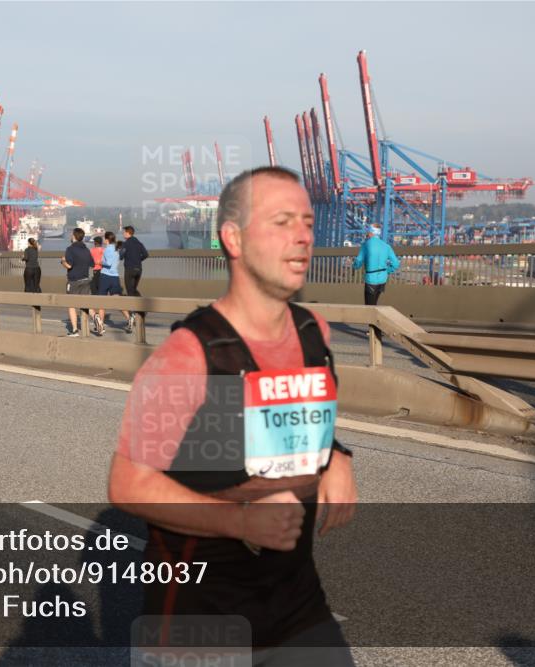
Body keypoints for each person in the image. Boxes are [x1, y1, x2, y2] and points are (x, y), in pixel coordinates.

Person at [107, 167, 356, 665]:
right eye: (282, 222)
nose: (303, 236)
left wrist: (335, 456)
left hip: (298, 609)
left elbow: (290, 423)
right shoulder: (190, 353)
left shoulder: (314, 332)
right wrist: (241, 521)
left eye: (307, 222)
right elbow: (128, 485)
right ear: (233, 239)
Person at [61, 227, 98, 336]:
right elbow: (92, 264)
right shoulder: (86, 249)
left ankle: (75, 330)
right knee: (85, 303)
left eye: (72, 234)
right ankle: (96, 317)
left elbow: (69, 265)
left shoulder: (70, 249)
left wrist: (62, 261)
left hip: (74, 280)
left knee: (71, 305)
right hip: (85, 279)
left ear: (74, 236)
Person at [352, 224, 400, 305]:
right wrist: (387, 271)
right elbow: (396, 263)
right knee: (374, 303)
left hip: (371, 279)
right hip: (382, 280)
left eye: (368, 231)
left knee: (369, 306)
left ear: (371, 232)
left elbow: (358, 262)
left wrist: (354, 266)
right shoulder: (386, 246)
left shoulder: (366, 245)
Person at [98, 231, 132, 333]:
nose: (103, 240)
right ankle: (129, 318)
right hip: (115, 277)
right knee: (117, 300)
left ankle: (101, 325)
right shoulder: (117, 248)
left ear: (106, 239)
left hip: (105, 276)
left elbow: (108, 263)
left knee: (101, 301)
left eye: (104, 238)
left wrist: (100, 262)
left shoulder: (108, 249)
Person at [120, 225, 149, 297]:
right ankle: (139, 301)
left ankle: (133, 303)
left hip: (129, 269)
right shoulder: (139, 243)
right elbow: (146, 254)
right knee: (133, 289)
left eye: (124, 232)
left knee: (130, 291)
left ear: (127, 233)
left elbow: (121, 256)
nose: (123, 234)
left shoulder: (125, 244)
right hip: (138, 269)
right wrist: (139, 260)